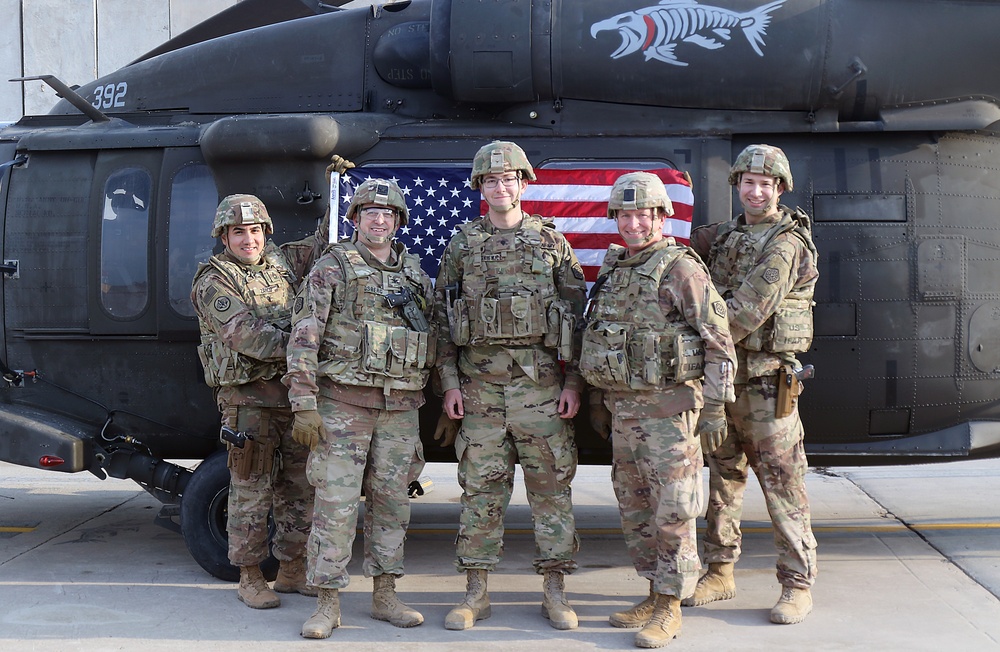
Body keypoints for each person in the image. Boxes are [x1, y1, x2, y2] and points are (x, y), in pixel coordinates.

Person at [580, 172, 736, 648]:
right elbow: (599, 336)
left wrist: (714, 408)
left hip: (669, 414)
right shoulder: (615, 269)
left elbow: (719, 342)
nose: (633, 223)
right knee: (634, 511)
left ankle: (670, 607)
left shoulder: (681, 269)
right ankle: (652, 591)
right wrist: (596, 398)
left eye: (642, 214)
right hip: (625, 413)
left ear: (660, 216)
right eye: (625, 214)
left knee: (672, 512)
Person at [435, 140, 586, 631]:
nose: (502, 187)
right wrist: (450, 385)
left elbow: (578, 320)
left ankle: (556, 591)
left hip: (541, 388)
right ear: (481, 187)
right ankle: (476, 593)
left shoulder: (551, 243)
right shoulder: (462, 245)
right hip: (479, 390)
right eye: (492, 180)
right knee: (480, 493)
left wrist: (574, 383)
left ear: (524, 184)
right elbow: (441, 319)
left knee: (551, 492)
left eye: (510, 179)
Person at [284, 178, 435, 639]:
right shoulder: (333, 268)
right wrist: (304, 404)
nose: (379, 219)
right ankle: (328, 602)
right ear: (353, 219)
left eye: (388, 213)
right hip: (343, 406)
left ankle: (385, 595)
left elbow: (434, 340)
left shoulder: (414, 275)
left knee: (392, 505)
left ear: (398, 221)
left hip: (399, 410)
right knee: (335, 505)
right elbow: (304, 336)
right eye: (369, 211)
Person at [687, 144, 819, 624]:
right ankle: (719, 571)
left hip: (766, 387)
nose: (756, 190)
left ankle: (797, 584)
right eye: (748, 182)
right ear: (737, 185)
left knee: (783, 485)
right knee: (723, 480)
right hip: (724, 383)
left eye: (766, 184)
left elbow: (745, 313)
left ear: (779, 188)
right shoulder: (721, 237)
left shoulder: (786, 244)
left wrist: (692, 342)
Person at [191, 194, 315, 609]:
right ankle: (249, 576)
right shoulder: (214, 280)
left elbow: (321, 242)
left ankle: (293, 569)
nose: (249, 240)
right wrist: (305, 349)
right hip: (248, 404)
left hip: (292, 399)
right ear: (224, 235)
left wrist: (338, 189)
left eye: (256, 230)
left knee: (298, 487)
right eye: (239, 232)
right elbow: (247, 336)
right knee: (250, 490)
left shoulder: (280, 264)